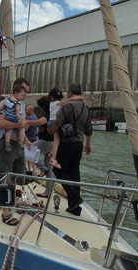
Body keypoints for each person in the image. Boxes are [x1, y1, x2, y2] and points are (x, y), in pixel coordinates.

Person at [0, 78, 30, 226]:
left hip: (19, 145)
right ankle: (5, 212)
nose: (24, 94)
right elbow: (0, 123)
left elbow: (25, 125)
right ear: (16, 89)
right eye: (23, 91)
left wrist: (26, 130)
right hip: (7, 144)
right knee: (3, 176)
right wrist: (20, 123)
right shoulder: (7, 103)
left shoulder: (22, 105)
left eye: (26, 92)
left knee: (19, 176)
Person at [48, 83, 93, 216]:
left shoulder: (67, 106)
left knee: (58, 169)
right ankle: (75, 208)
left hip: (66, 143)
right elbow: (88, 128)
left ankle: (75, 198)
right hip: (79, 143)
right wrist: (88, 144)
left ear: (69, 93)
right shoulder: (85, 107)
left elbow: (57, 122)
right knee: (75, 174)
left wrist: (50, 131)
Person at [0, 85, 26, 151]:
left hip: (8, 117)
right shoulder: (17, 103)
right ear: (16, 93)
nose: (22, 98)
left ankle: (7, 143)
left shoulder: (8, 100)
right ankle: (20, 141)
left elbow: (2, 106)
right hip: (15, 118)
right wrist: (20, 119)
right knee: (20, 129)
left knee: (9, 130)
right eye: (22, 95)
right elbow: (17, 111)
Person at [25, 105, 38, 172]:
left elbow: (26, 129)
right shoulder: (35, 116)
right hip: (34, 137)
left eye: (26, 109)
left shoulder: (29, 118)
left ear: (30, 110)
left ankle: (32, 170)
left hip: (29, 138)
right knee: (31, 155)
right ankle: (32, 169)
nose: (25, 111)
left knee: (30, 156)